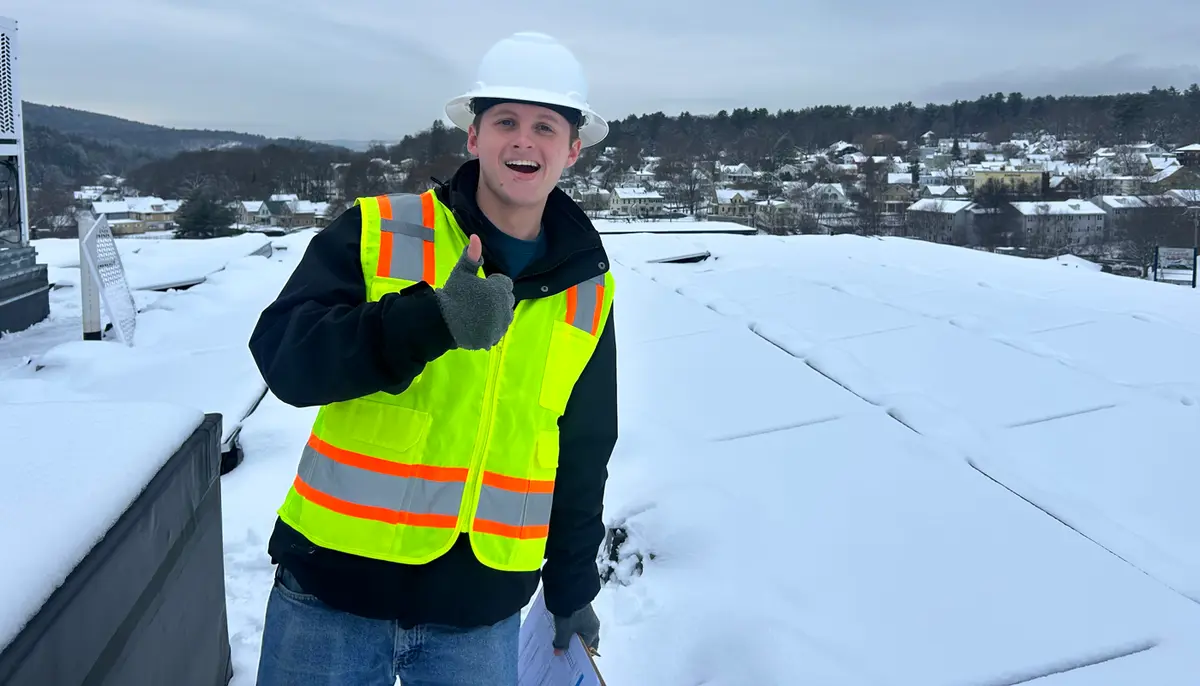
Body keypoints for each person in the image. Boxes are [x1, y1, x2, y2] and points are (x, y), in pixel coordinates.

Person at [247, 31, 618, 686]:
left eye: (545, 126)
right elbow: (284, 357)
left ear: (573, 148)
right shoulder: (379, 229)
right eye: (505, 122)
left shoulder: (588, 290)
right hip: (333, 595)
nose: (524, 142)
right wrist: (427, 322)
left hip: (479, 619)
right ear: (473, 138)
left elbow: (582, 449)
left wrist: (570, 589)